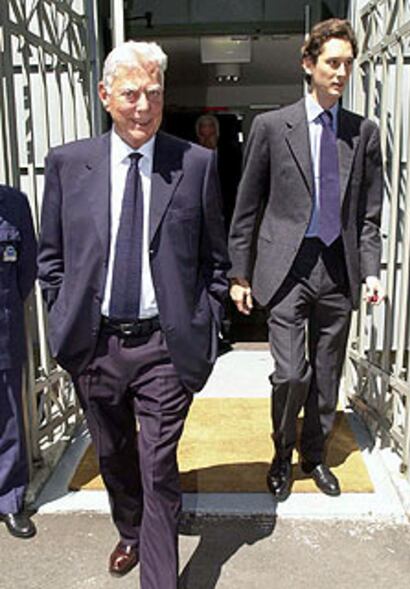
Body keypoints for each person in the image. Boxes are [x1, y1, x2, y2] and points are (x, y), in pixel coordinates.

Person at [37, 41, 229, 588]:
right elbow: (52, 258)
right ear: (105, 96)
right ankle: (130, 528)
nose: (143, 105)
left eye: (153, 93)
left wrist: (208, 323)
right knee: (115, 455)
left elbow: (217, 260)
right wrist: (63, 316)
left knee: (159, 468)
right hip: (94, 344)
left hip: (164, 347)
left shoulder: (194, 164)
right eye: (130, 94)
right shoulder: (68, 164)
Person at [228, 18, 384, 501]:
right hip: (286, 270)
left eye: (347, 64)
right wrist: (240, 273)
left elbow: (369, 216)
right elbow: (247, 206)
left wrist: (373, 270)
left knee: (327, 374)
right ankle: (281, 452)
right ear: (308, 64)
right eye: (332, 62)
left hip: (338, 270)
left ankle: (313, 457)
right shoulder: (273, 127)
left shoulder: (364, 133)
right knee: (292, 372)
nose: (340, 72)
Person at [0, 184, 37, 538]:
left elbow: (27, 268)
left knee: (9, 417)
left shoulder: (13, 203)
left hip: (2, 329)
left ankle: (9, 500)